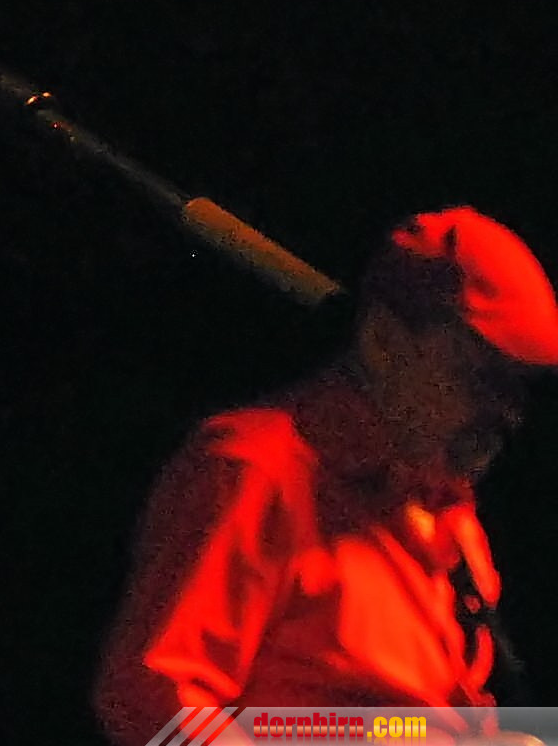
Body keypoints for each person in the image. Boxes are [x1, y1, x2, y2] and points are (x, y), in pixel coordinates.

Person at [93, 207, 556, 741]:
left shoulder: (448, 512)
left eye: (517, 389)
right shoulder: (256, 471)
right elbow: (152, 699)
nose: (507, 412)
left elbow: (395, 727)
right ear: (383, 341)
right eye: (483, 377)